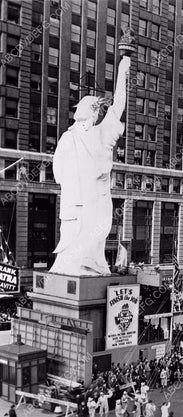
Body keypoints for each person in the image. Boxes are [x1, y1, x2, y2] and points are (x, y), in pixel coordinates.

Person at [49, 56, 131, 276]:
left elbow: (118, 107)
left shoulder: (88, 135)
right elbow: (58, 170)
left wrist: (123, 71)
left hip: (88, 200)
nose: (97, 115)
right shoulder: (77, 137)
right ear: (90, 112)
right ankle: (80, 266)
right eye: (96, 111)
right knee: (78, 237)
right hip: (82, 201)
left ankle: (90, 265)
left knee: (91, 237)